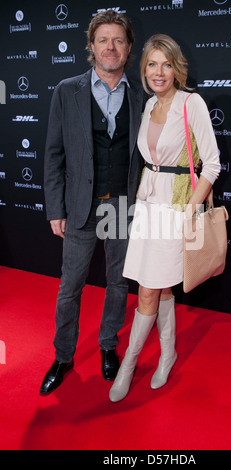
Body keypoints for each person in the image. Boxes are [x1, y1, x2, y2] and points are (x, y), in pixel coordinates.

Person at [109, 34, 221, 402]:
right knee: (161, 286)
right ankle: (169, 353)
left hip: (175, 211)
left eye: (166, 64)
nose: (159, 72)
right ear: (144, 70)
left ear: (177, 68)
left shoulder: (192, 104)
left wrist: (190, 208)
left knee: (147, 291)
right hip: (147, 208)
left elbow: (213, 164)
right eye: (152, 64)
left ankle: (128, 366)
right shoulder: (148, 107)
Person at [40, 11, 146, 395]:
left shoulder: (140, 95)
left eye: (118, 40)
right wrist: (56, 209)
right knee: (71, 287)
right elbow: (53, 155)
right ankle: (63, 355)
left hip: (121, 206)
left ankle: (107, 346)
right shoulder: (67, 90)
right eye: (103, 40)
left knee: (118, 284)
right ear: (91, 46)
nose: (111, 47)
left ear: (129, 48)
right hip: (81, 207)